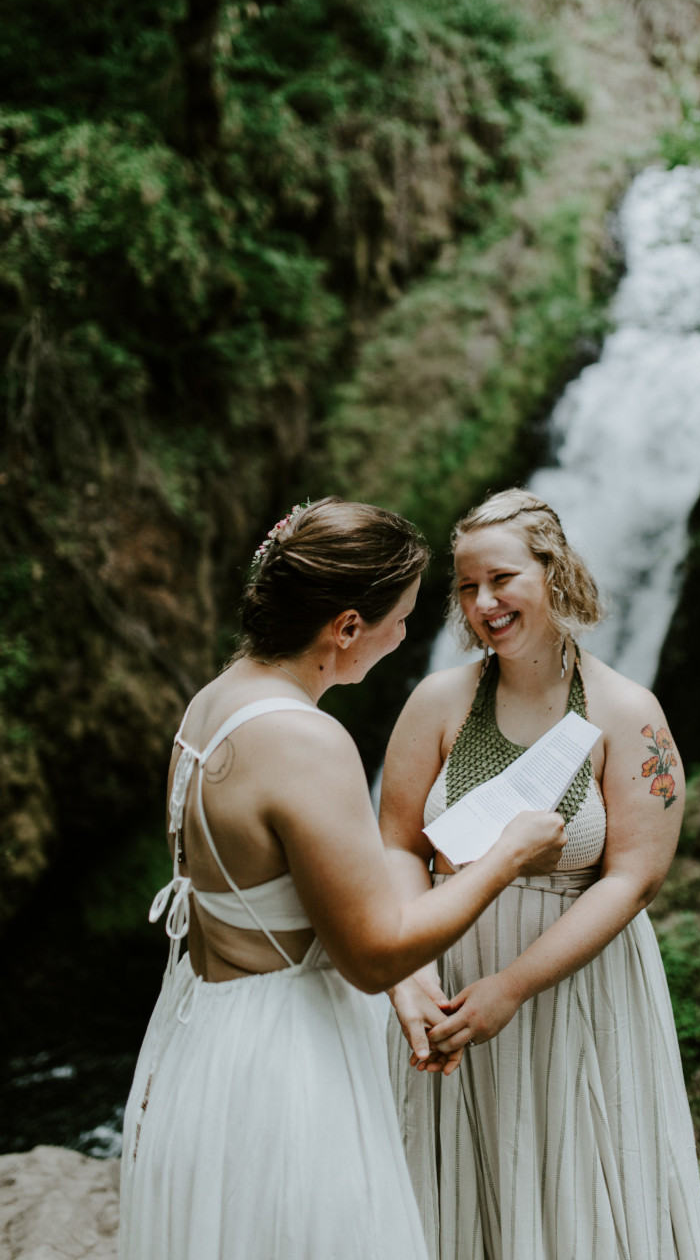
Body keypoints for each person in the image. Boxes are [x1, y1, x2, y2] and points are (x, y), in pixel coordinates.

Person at [118, 496, 566, 1260]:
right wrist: (508, 856)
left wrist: (403, 987)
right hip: (285, 1068)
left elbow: (294, 905)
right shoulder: (305, 740)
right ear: (347, 627)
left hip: (210, 1039)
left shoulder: (214, 703)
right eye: (399, 619)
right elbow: (370, 957)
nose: (405, 636)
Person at [381, 489, 700, 1260]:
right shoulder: (438, 702)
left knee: (574, 1193)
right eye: (466, 587)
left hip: (570, 989)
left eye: (501, 579)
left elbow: (632, 880)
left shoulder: (626, 713)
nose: (482, 602)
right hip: (447, 980)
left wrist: (514, 986)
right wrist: (410, 972)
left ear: (553, 572)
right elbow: (398, 845)